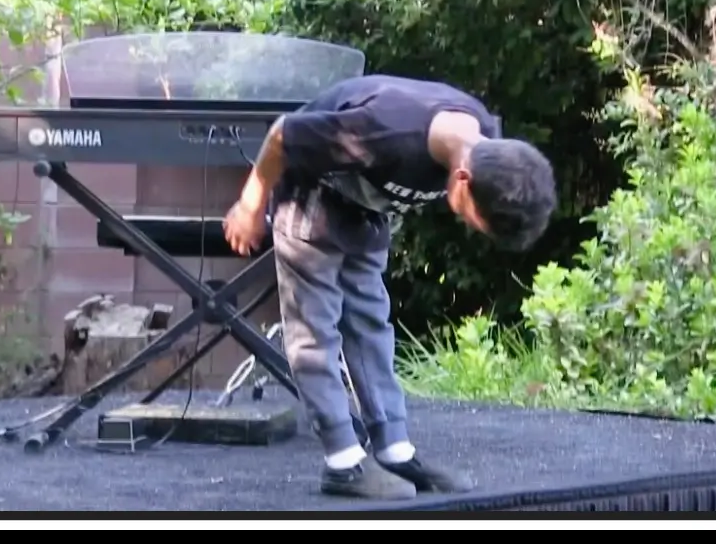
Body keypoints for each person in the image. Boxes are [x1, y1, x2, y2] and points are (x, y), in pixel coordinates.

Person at [223, 74, 557, 500]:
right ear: (462, 179)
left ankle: (395, 451)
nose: (470, 228)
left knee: (370, 325)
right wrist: (250, 207)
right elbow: (284, 135)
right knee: (315, 330)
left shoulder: (488, 142)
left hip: (366, 208)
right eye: (477, 221)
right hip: (312, 191)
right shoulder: (385, 130)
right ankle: (343, 462)